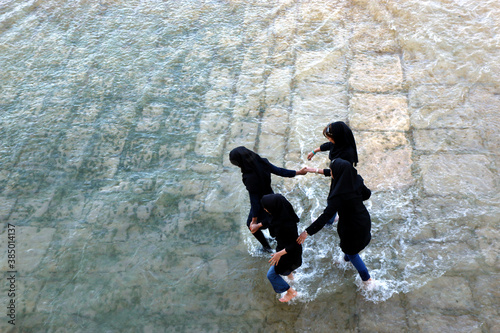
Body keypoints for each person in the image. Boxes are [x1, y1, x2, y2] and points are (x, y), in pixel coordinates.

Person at [297, 158, 373, 287]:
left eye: (331, 171)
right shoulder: (356, 180)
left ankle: (367, 280)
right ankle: (346, 260)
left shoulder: (337, 196)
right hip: (363, 220)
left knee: (353, 253)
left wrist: (307, 232)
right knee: (351, 249)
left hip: (351, 227)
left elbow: (325, 217)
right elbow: (367, 194)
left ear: (336, 174)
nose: (330, 173)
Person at [229, 146, 307, 252]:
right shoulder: (263, 162)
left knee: (250, 225)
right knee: (272, 217)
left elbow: (255, 200)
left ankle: (266, 247)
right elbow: (280, 171)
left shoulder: (249, 177)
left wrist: (254, 221)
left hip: (263, 202)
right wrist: (298, 172)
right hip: (271, 197)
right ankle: (274, 237)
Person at [305, 121, 360, 224]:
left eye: (330, 138)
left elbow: (334, 172)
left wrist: (314, 170)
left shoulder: (347, 155)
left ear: (338, 138)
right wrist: (314, 151)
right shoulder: (340, 142)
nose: (329, 140)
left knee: (333, 199)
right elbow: (329, 145)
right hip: (338, 172)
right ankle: (334, 216)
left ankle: (329, 221)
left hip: (341, 178)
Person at [253, 193, 302, 302]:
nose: (265, 210)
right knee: (285, 269)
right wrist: (259, 225)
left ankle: (291, 292)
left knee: (271, 275)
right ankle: (292, 279)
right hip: (283, 248)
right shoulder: (281, 212)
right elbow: (270, 219)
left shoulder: (287, 224)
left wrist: (279, 254)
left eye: (266, 208)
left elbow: (294, 244)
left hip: (288, 252)